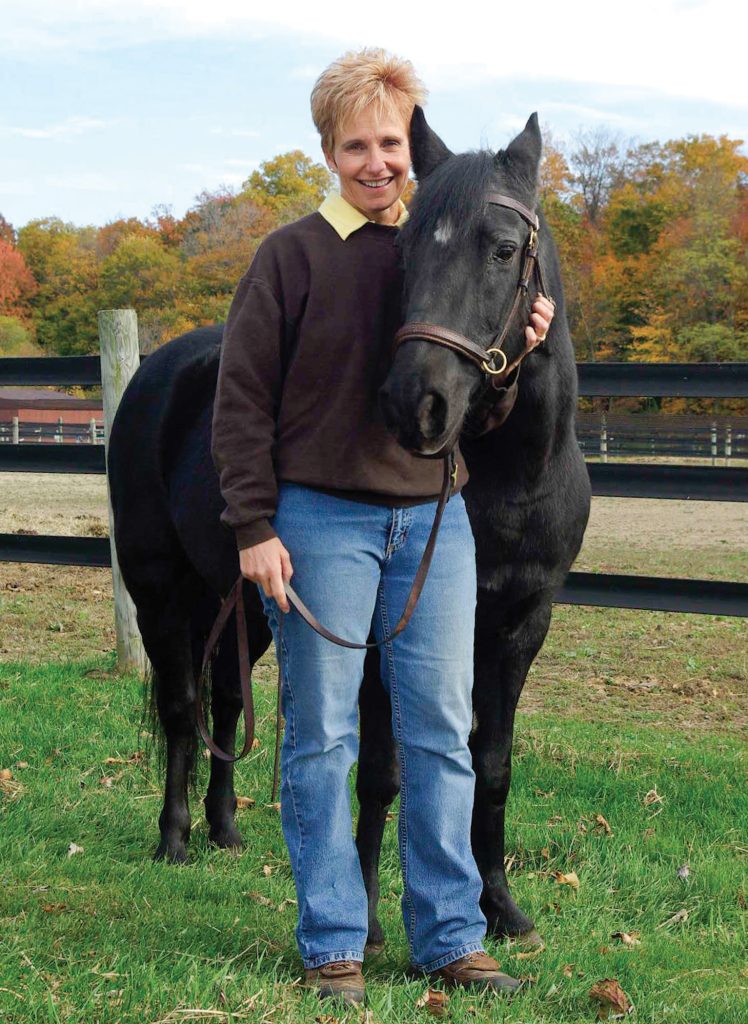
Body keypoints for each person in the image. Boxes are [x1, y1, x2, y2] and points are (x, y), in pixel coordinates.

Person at [211, 48, 554, 1006]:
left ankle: (450, 934)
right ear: (328, 151)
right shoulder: (290, 255)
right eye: (355, 145)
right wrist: (252, 525)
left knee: (442, 732)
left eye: (391, 143)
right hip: (320, 520)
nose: (376, 162)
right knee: (320, 737)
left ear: (413, 148)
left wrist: (513, 357)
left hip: (432, 522)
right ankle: (333, 941)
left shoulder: (435, 242)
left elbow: (471, 415)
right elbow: (239, 400)